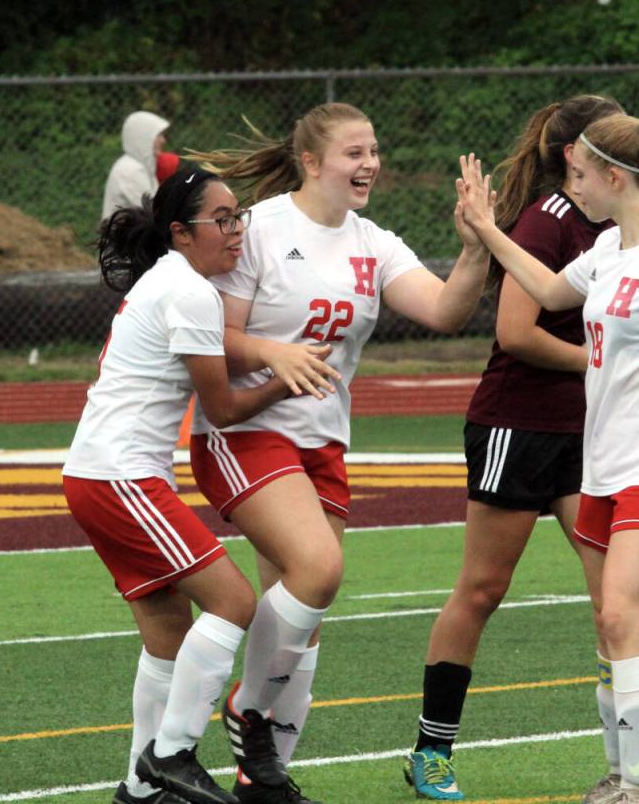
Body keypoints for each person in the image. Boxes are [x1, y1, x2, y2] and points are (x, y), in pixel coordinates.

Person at [404, 96, 639, 802]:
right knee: (531, 597)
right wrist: (484, 231)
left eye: (590, 175)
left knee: (618, 608)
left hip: (631, 449)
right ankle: (444, 749)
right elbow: (530, 312)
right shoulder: (582, 235)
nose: (577, 185)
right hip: (560, 442)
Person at [186, 102, 491, 804]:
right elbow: (212, 335)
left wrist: (475, 245)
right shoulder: (259, 229)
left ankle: (263, 782)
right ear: (314, 162)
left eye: (376, 150)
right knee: (319, 570)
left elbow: (445, 310)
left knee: (301, 619)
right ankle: (246, 711)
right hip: (246, 432)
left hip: (321, 443)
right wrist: (272, 353)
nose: (372, 164)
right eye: (356, 152)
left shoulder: (373, 242)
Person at [63, 168, 306, 804]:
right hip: (122, 476)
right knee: (234, 601)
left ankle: (138, 792)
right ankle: (170, 756)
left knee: (168, 633)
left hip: (100, 473)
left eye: (238, 217)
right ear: (180, 231)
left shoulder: (173, 282)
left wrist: (270, 360)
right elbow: (222, 410)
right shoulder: (189, 291)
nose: (236, 231)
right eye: (222, 219)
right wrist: (288, 374)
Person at [103, 111, 170, 220]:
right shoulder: (130, 170)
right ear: (144, 137)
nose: (163, 140)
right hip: (122, 236)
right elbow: (154, 212)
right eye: (159, 135)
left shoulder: (143, 166)